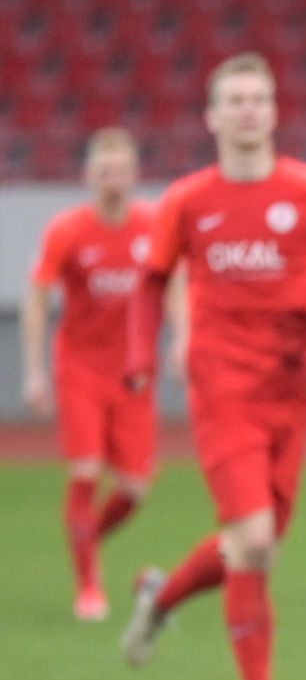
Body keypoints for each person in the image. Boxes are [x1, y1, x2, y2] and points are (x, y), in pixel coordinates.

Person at [120, 53, 306, 680]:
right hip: (222, 387)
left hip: (290, 390)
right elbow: (150, 282)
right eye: (234, 100)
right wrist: (141, 355)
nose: (247, 111)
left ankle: (161, 596)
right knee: (253, 543)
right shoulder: (186, 200)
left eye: (258, 99)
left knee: (255, 547)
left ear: (275, 111)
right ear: (212, 117)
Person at [21, 128, 185, 620]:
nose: (113, 179)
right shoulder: (67, 230)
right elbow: (37, 297)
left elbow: (175, 283)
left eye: (121, 170)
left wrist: (183, 339)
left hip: (134, 372)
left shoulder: (153, 226)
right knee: (87, 470)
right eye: (104, 170)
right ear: (88, 175)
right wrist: (34, 371)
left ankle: (84, 539)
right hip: (80, 368)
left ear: (135, 175)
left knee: (134, 488)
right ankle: (88, 586)